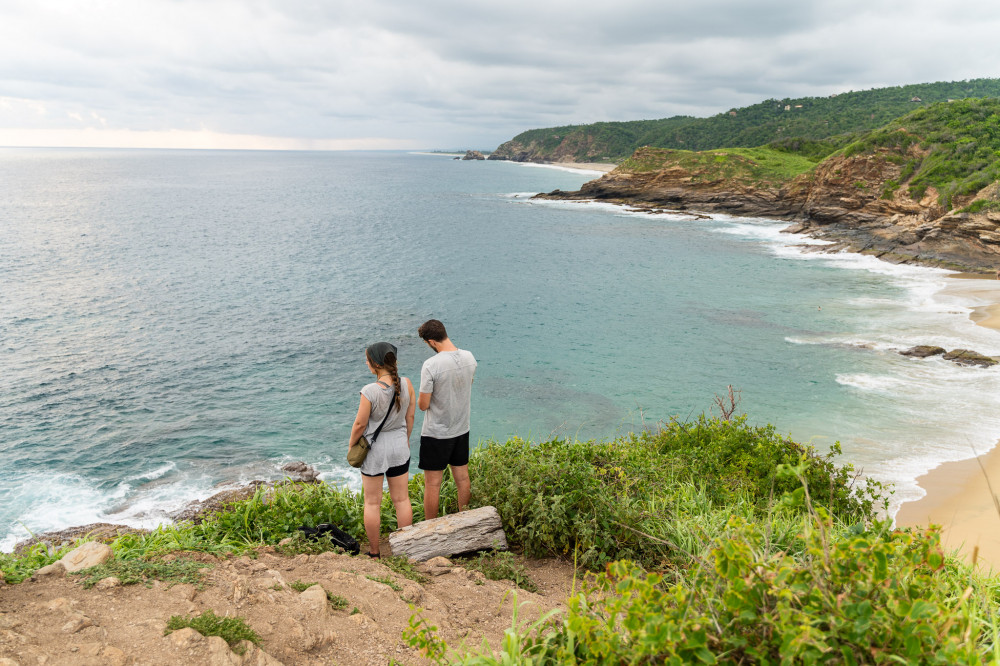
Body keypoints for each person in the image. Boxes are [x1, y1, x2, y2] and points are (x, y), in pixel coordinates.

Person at [348, 342, 415, 558]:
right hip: (399, 446)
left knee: (372, 502)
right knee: (402, 500)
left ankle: (375, 552)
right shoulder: (407, 384)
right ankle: (404, 551)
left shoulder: (370, 391)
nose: (365, 362)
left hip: (375, 450)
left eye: (367, 359)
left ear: (376, 364)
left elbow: (360, 425)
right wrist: (404, 440)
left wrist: (351, 446)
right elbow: (410, 417)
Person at [416, 319, 477, 519]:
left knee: (433, 484)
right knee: (463, 478)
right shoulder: (469, 357)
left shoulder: (431, 364)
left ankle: (430, 528)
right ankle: (464, 519)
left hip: (436, 433)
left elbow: (423, 405)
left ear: (432, 341)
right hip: (461, 428)